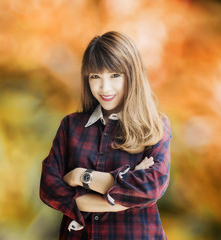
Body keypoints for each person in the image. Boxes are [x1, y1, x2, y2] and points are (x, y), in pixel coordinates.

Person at [39, 31, 172, 240]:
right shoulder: (71, 126)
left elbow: (150, 186)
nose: (104, 87)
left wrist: (80, 176)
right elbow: (50, 189)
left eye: (115, 75)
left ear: (132, 75)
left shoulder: (155, 126)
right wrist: (122, 194)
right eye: (95, 77)